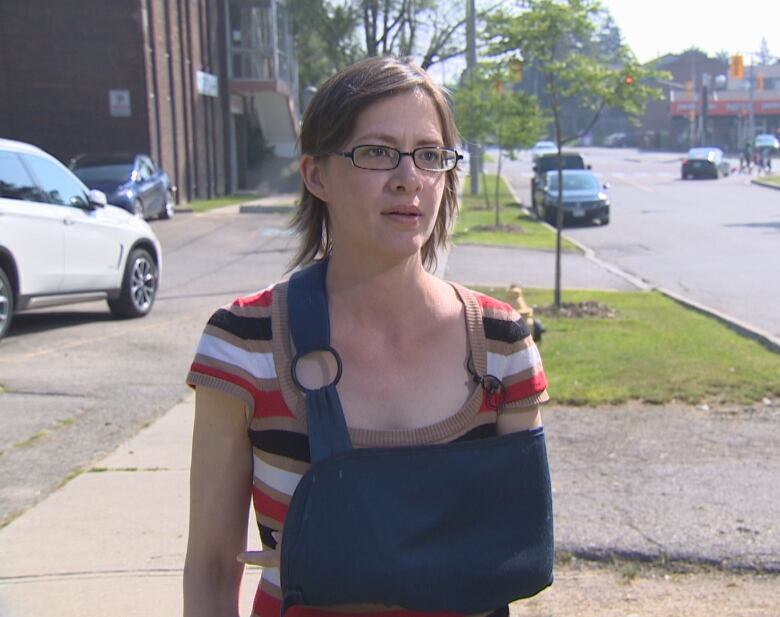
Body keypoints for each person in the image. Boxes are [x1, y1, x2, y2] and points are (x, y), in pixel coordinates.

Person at [183, 56, 549, 617]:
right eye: (377, 152)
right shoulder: (244, 343)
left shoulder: (502, 347)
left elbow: (508, 557)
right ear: (315, 174)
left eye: (429, 155)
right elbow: (211, 568)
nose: (409, 178)